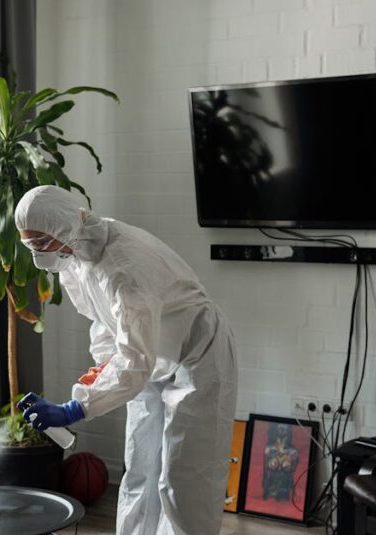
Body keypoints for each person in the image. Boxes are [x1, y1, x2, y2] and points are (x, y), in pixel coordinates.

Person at [14, 185, 238, 535]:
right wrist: (103, 367)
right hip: (152, 357)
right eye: (30, 245)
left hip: (197, 355)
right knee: (141, 468)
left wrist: (75, 409)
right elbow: (105, 320)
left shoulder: (123, 268)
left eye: (41, 244)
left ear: (63, 228)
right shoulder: (78, 254)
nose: (38, 255)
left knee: (184, 479)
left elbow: (135, 362)